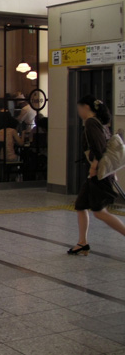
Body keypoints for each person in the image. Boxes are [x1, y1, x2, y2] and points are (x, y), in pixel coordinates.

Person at [69, 95, 125, 255]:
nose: (78, 111)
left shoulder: (91, 123)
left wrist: (94, 167)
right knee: (81, 205)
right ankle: (82, 243)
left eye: (79, 108)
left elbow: (98, 148)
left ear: (86, 107)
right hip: (101, 172)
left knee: (100, 212)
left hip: (98, 173)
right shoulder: (100, 123)